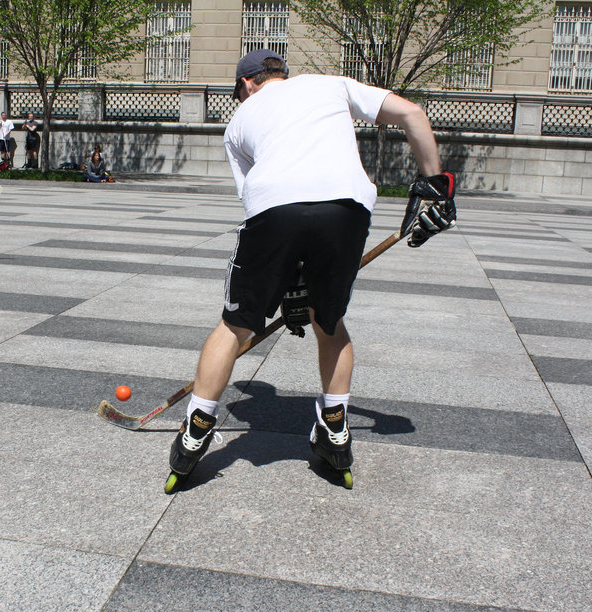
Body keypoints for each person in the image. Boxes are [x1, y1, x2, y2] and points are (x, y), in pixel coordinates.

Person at [163, 49, 457, 493]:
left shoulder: (239, 122)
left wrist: (287, 282)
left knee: (235, 325)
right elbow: (412, 114)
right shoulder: (331, 84)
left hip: (274, 207)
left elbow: (262, 206)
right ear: (281, 74)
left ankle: (195, 431)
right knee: (329, 322)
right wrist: (435, 185)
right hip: (348, 205)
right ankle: (335, 430)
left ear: (246, 84)